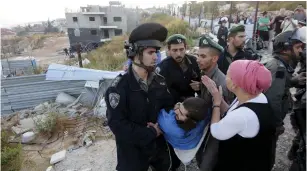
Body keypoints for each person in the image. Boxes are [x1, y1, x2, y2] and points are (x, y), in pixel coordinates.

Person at [105, 23, 174, 171]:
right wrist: (150, 132)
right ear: (135, 53)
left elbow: (168, 106)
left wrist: (164, 125)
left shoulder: (159, 81)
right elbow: (117, 124)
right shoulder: (118, 88)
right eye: (150, 52)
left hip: (158, 148)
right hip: (132, 153)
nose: (156, 57)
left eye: (157, 52)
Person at [201, 60, 275, 171]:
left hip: (242, 164)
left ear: (235, 84)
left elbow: (216, 131)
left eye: (228, 75)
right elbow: (230, 113)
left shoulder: (242, 116)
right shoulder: (255, 96)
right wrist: (216, 94)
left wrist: (216, 103)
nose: (225, 77)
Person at [261, 28, 306, 169]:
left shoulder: (279, 64)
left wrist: (294, 81)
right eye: (298, 47)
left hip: (267, 122)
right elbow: (273, 99)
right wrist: (277, 124)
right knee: (266, 154)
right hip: (269, 124)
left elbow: (279, 83)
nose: (301, 51)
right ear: (286, 49)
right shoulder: (278, 68)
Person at [158, 97, 210, 165]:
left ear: (191, 121)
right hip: (192, 143)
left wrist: (178, 103)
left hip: (179, 145)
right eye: (180, 106)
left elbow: (160, 113)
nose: (175, 111)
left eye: (181, 114)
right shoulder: (205, 114)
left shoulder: (170, 126)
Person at [156, 34, 201, 103]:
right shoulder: (163, 67)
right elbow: (159, 93)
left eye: (181, 49)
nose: (178, 54)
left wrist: (200, 86)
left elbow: (201, 81)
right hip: (173, 107)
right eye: (174, 50)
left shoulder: (194, 61)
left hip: (191, 104)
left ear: (186, 48)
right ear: (169, 50)